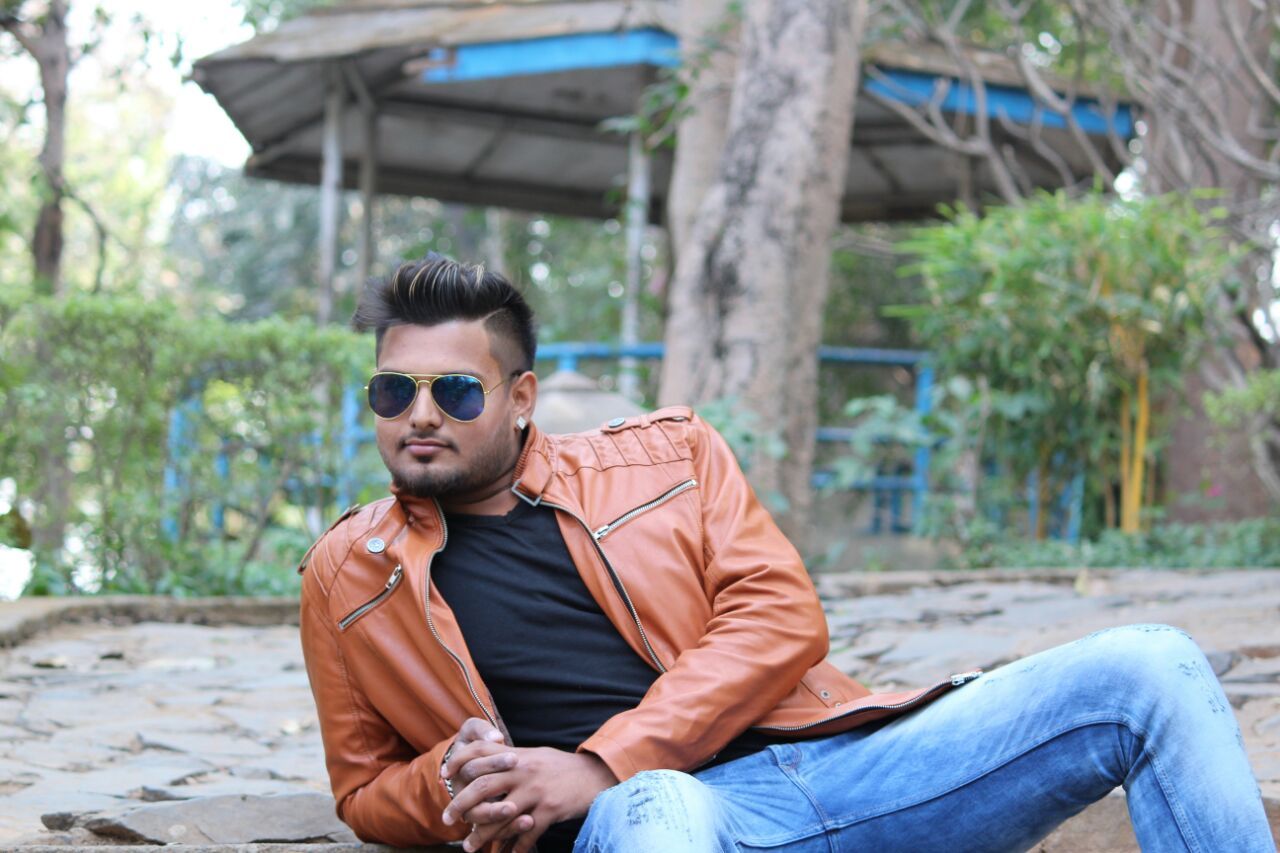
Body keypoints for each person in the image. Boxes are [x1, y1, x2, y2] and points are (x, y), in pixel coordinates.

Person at [298, 254, 1275, 853]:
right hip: (652, 823)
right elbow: (362, 789)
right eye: (393, 391)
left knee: (1151, 664)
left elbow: (779, 617)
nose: (419, 414)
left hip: (847, 769)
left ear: (520, 398)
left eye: (455, 391)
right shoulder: (346, 574)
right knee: (661, 807)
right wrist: (454, 778)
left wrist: (599, 759)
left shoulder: (667, 456)